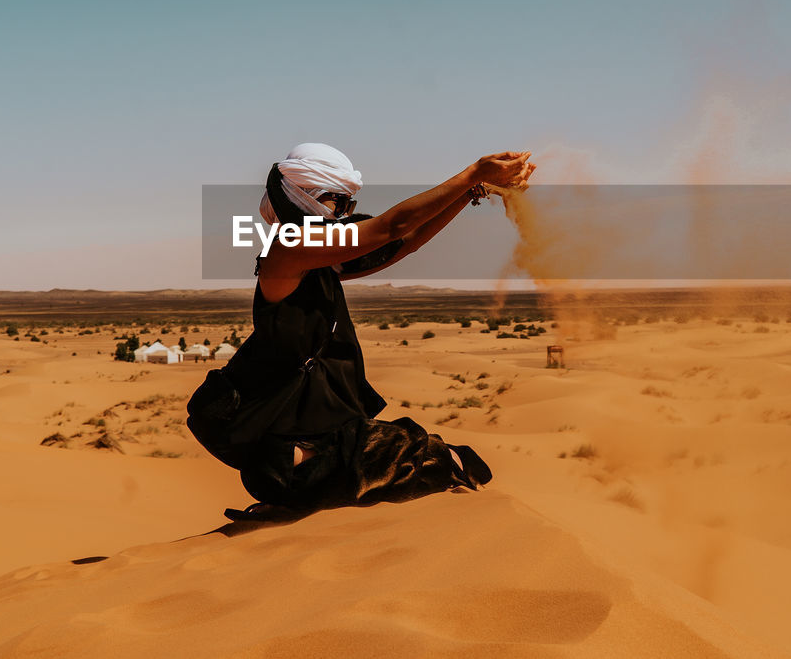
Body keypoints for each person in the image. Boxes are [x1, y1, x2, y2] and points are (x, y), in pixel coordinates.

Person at [187, 143, 535, 520]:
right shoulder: (286, 251)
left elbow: (404, 242)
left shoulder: (320, 264)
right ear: (307, 197)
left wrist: (472, 192)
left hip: (324, 441)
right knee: (443, 461)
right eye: (340, 202)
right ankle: (292, 480)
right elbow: (391, 227)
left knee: (442, 459)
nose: (346, 213)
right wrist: (472, 173)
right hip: (297, 459)